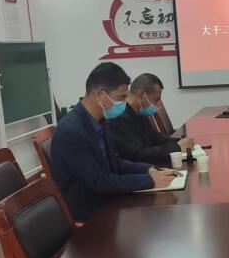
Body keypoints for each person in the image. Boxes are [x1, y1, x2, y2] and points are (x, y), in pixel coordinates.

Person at [51, 63, 178, 221]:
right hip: (92, 211)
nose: (125, 103)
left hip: (109, 198)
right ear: (100, 95)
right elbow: (99, 182)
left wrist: (150, 170)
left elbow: (115, 162)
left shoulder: (99, 121)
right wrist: (150, 181)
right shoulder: (71, 131)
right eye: (121, 98)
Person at [109, 73, 196, 164]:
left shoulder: (139, 112)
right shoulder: (118, 118)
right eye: (155, 99)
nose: (157, 104)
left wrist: (179, 141)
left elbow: (155, 138)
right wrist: (177, 147)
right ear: (142, 94)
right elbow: (138, 155)